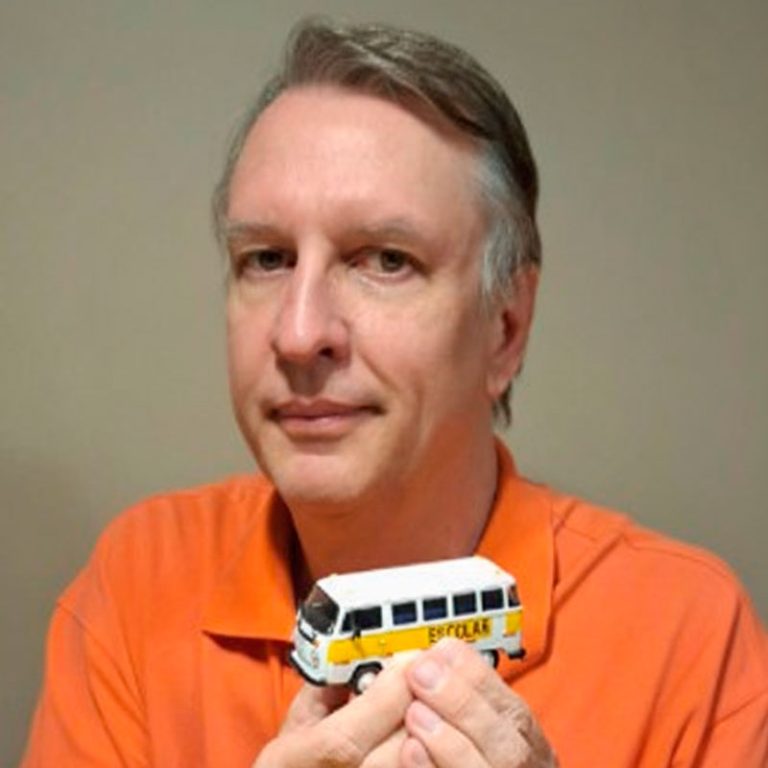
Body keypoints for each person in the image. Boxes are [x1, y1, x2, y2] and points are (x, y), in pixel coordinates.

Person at [21, 19, 767, 768]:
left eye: (385, 260)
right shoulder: (137, 581)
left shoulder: (689, 634)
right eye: (267, 258)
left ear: (505, 328)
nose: (299, 334)